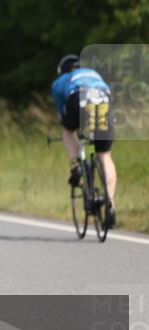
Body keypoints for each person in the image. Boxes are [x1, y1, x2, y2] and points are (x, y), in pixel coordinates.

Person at [51, 54, 117, 228]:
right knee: (104, 156)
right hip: (103, 100)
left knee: (67, 132)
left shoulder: (61, 81)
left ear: (62, 70)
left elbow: (62, 113)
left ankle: (76, 165)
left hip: (77, 98)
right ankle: (110, 202)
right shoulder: (94, 74)